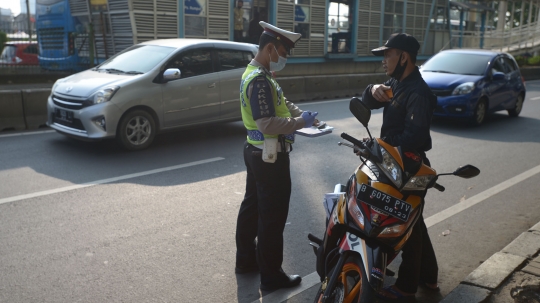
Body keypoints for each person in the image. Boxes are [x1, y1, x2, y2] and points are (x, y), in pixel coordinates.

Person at [235, 21, 319, 291]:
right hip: (269, 157)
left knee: (252, 208)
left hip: (255, 152)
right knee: (272, 216)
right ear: (270, 48)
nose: (284, 58)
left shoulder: (258, 73)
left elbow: (281, 103)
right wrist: (300, 124)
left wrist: (300, 114)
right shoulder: (260, 79)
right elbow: (267, 123)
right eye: (283, 52)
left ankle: (246, 261)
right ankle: (271, 277)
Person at [360, 33, 440, 301]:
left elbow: (415, 137)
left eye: (388, 54)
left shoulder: (418, 92)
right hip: (393, 163)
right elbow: (368, 101)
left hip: (409, 167)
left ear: (403, 57)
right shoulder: (397, 82)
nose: (384, 60)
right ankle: (429, 277)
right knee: (414, 221)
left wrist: (379, 144)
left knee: (410, 225)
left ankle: (406, 287)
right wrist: (372, 90)